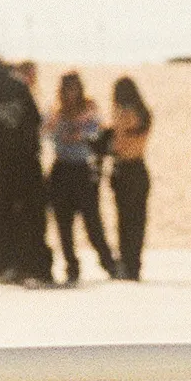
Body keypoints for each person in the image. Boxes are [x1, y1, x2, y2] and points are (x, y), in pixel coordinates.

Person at [0, 49, 49, 282]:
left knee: (2, 215)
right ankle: (35, 266)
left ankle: (4, 266)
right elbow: (34, 120)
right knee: (31, 215)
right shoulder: (19, 86)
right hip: (26, 161)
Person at [46, 73, 114, 284]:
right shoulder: (56, 111)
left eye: (74, 88)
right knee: (63, 222)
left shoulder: (89, 108)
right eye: (67, 89)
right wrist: (59, 124)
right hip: (62, 168)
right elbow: (46, 132)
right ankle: (71, 266)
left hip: (82, 169)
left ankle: (108, 262)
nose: (71, 93)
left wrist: (81, 130)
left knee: (92, 220)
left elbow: (98, 130)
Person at [106, 76, 153, 278]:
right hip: (140, 166)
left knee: (124, 221)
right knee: (139, 220)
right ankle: (135, 264)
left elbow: (116, 145)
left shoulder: (122, 113)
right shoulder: (145, 114)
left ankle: (127, 263)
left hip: (124, 168)